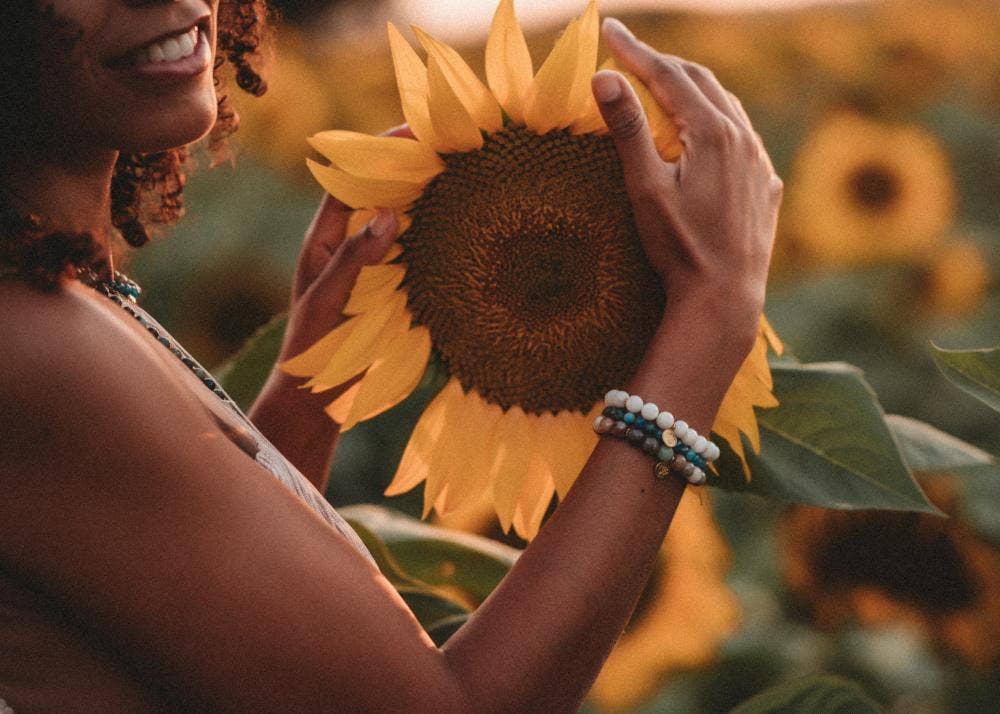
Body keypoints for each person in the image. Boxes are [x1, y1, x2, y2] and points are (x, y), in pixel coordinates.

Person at [0, 1, 781, 711]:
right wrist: (708, 322)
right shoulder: (34, 347)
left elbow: (222, 644)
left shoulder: (56, 299)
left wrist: (312, 392)